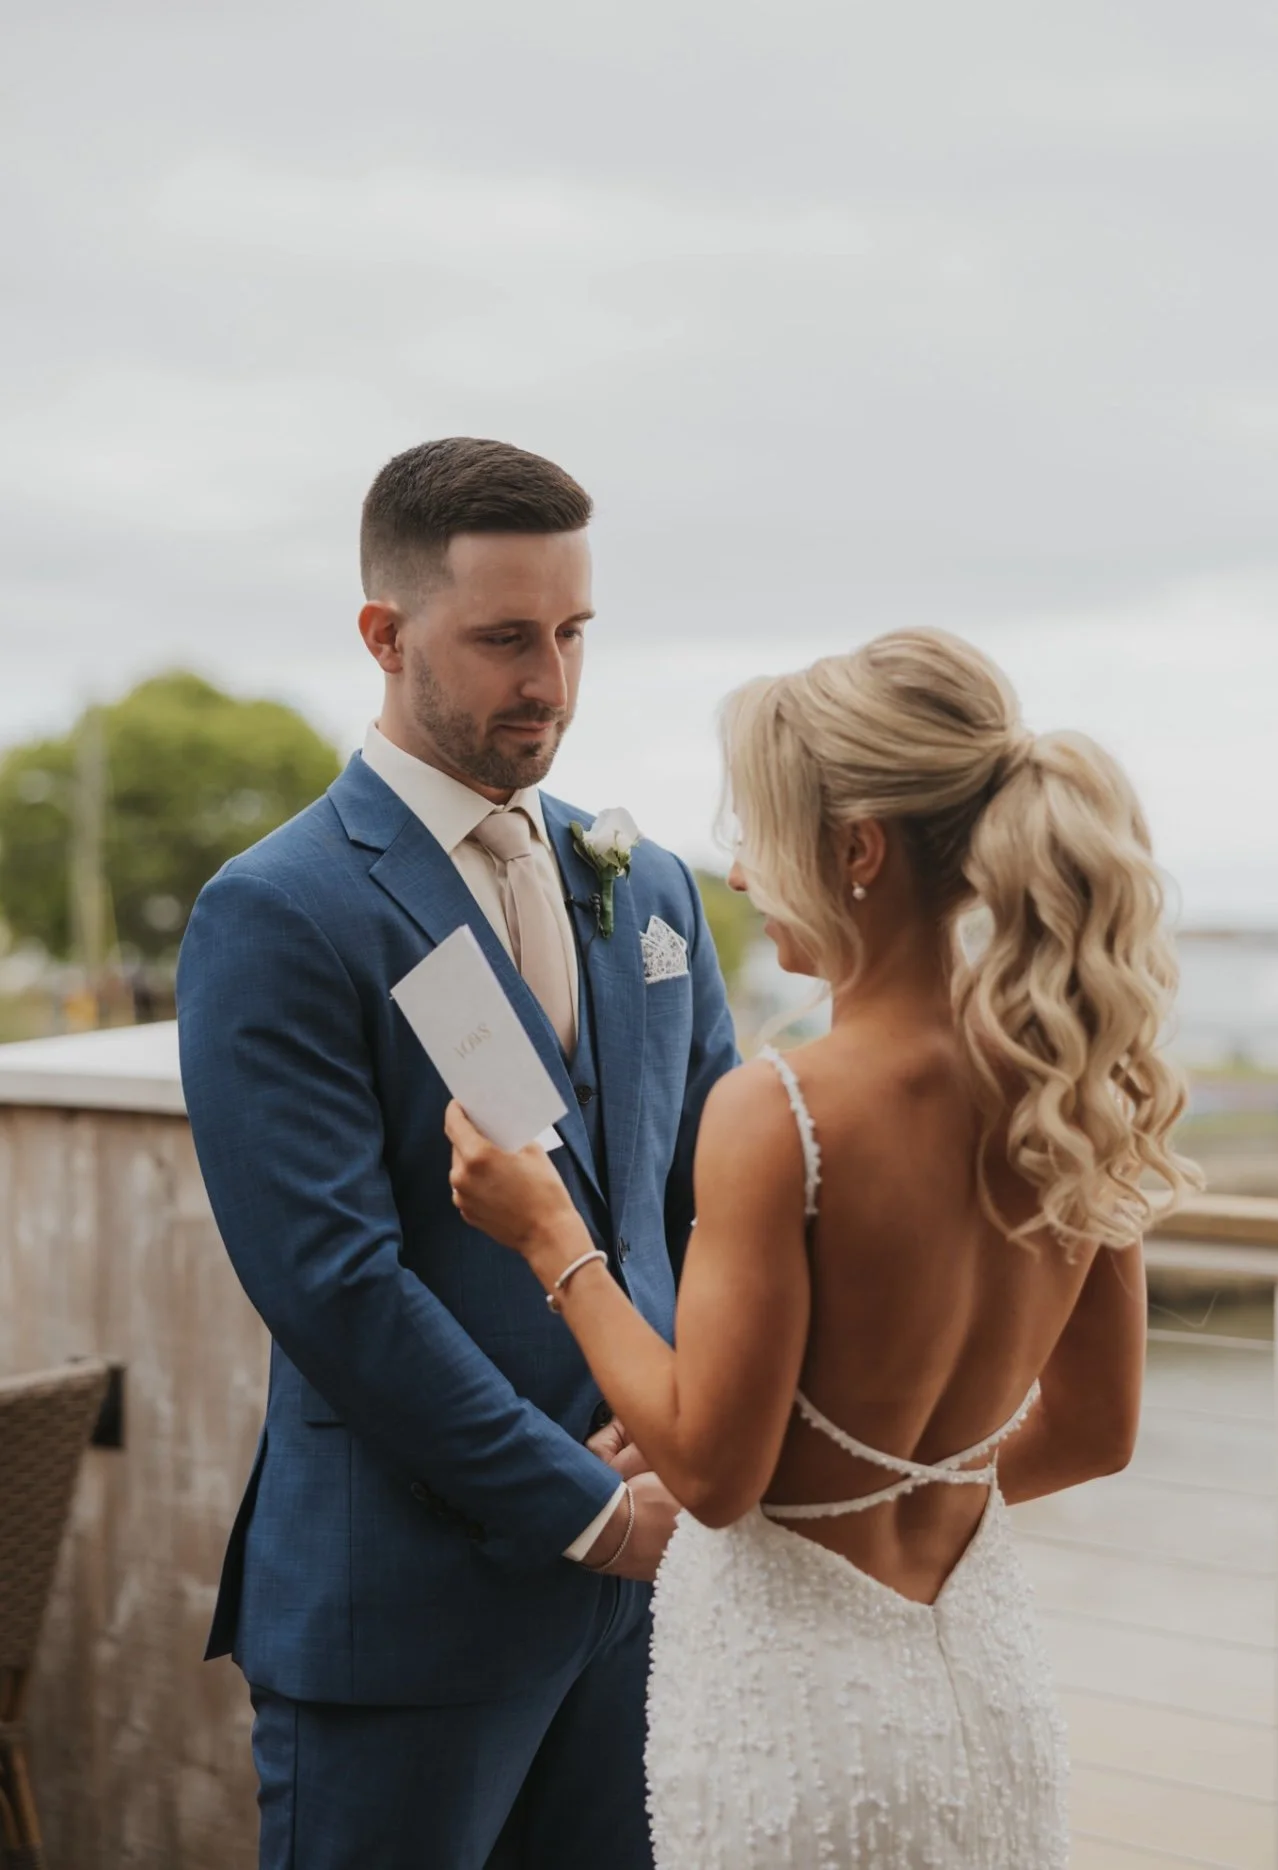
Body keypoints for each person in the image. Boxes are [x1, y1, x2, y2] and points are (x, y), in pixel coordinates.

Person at [447, 627, 1200, 1869]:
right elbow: (1092, 1433)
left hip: (801, 1728)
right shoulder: (1079, 1083)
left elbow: (714, 1475)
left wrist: (553, 1241)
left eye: (761, 830)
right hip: (987, 1698)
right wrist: (898, 1485)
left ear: (857, 850)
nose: (738, 873)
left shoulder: (782, 1108)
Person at [176, 437, 737, 1870]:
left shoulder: (647, 879)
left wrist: (699, 1440)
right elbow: (335, 1284)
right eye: (504, 638)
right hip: (407, 1614)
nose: (548, 678)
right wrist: (593, 1509)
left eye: (570, 632)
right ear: (384, 633)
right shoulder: (280, 910)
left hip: (651, 1606)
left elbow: (714, 1194)